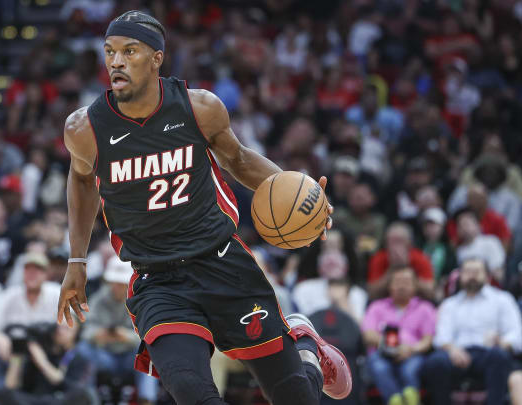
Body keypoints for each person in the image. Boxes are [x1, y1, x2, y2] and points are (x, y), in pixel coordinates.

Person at [56, 10, 351, 405]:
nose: (116, 62)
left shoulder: (198, 108)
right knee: (194, 393)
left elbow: (240, 160)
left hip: (223, 263)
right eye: (110, 51)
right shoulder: (85, 129)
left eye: (129, 51)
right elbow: (79, 179)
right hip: (158, 282)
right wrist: (77, 261)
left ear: (157, 58)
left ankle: (306, 349)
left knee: (296, 397)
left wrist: (302, 194)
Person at [423, 258, 522, 405]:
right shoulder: (449, 304)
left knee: (499, 356)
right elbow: (441, 336)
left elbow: (516, 334)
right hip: (456, 354)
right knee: (435, 362)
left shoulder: (503, 299)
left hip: (489, 352)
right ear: (460, 276)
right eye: (467, 272)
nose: (471, 276)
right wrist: (452, 350)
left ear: (487, 276)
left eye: (476, 272)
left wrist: (502, 342)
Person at [0, 252, 61, 405]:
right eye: (28, 270)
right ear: (23, 273)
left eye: (37, 270)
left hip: (47, 352)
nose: (32, 274)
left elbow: (74, 326)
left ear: (46, 274)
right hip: (15, 353)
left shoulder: (56, 293)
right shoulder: (10, 295)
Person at [77, 257, 158, 405]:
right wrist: (97, 335)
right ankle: (87, 398)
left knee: (149, 352)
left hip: (130, 357)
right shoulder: (98, 300)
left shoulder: (140, 301)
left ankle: (147, 399)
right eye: (115, 282)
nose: (117, 287)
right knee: (82, 350)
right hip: (104, 356)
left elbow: (148, 334)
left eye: (121, 283)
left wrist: (126, 336)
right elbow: (85, 332)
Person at [362, 266, 436, 405]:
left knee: (410, 370)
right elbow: (368, 335)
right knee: (379, 367)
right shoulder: (376, 307)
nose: (402, 286)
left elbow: (428, 340)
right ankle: (396, 401)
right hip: (381, 354)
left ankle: (411, 400)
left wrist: (410, 349)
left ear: (415, 286)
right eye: (397, 282)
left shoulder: (425, 308)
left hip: (413, 354)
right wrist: (393, 347)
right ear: (390, 285)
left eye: (407, 282)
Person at [0, 322, 97, 405]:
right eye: (59, 327)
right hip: (34, 400)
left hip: (60, 399)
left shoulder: (80, 357)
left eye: (67, 329)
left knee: (84, 394)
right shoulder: (40, 350)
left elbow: (63, 383)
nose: (61, 332)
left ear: (76, 333)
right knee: (2, 393)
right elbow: (10, 385)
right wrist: (17, 356)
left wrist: (41, 360)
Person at [367, 222, 435, 300]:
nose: (396, 246)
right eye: (392, 241)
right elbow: (371, 294)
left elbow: (430, 293)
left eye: (399, 241)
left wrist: (407, 268)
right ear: (386, 244)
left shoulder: (420, 258)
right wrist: (391, 269)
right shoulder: (378, 258)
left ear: (409, 243)